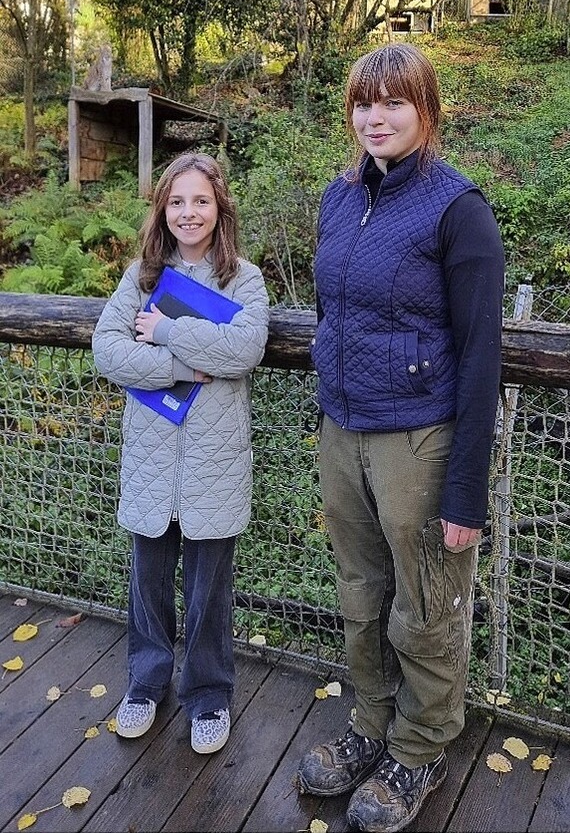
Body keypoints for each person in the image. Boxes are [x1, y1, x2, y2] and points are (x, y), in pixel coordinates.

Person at [296, 43, 505, 832]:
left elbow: (482, 356)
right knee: (361, 589)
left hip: (419, 439)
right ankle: (371, 724)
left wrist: (466, 491)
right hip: (342, 429)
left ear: (427, 110)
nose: (374, 117)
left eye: (393, 102)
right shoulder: (339, 196)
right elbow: (331, 311)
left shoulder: (458, 209)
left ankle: (420, 747)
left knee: (425, 601)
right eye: (363, 102)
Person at [92, 150, 269, 755]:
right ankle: (145, 684)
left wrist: (165, 330)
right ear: (162, 209)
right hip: (151, 460)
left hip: (214, 462)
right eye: (176, 201)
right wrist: (183, 366)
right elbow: (108, 350)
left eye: (200, 200)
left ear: (220, 207)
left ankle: (209, 695)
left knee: (208, 590)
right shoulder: (142, 277)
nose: (188, 212)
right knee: (147, 582)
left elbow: (243, 350)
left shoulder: (243, 279)